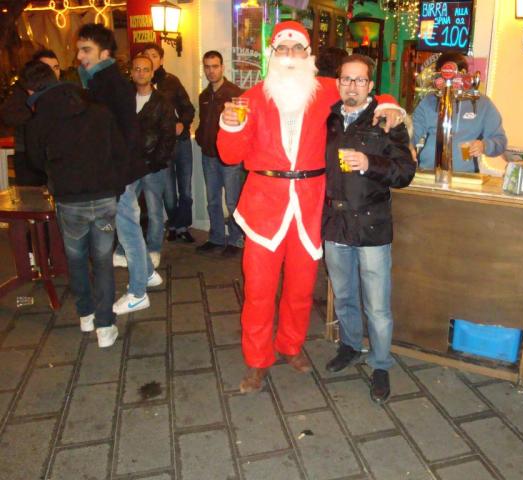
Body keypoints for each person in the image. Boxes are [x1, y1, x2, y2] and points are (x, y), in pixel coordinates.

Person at [217, 21, 405, 394]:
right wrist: (229, 124)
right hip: (264, 205)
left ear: (309, 56)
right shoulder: (249, 99)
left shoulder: (326, 91)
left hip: (310, 203)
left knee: (301, 286)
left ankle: (290, 345)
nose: (290, 56)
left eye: (297, 49)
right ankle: (257, 359)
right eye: (283, 49)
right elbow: (229, 155)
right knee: (258, 289)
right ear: (272, 54)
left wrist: (389, 103)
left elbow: (362, 91)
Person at [323, 54, 415, 404]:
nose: (352, 86)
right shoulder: (329, 118)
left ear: (371, 86)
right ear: (337, 83)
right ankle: (350, 345)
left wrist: (369, 163)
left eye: (360, 80)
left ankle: (380, 364)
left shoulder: (386, 119)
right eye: (346, 79)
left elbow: (404, 173)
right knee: (344, 295)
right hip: (335, 223)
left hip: (372, 224)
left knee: (377, 304)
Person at [22, 61, 126, 347]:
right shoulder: (98, 110)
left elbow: (35, 162)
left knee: (76, 258)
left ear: (31, 91)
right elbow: (119, 151)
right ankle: (105, 327)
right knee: (103, 261)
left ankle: (86, 315)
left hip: (69, 199)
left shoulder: (38, 122)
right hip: (103, 195)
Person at [76, 24, 161, 315]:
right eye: (79, 50)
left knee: (128, 230)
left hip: (118, 172)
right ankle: (148, 273)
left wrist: (116, 177)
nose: (80, 56)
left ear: (104, 53)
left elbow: (126, 135)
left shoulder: (110, 85)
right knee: (129, 225)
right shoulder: (100, 82)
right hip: (119, 170)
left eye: (86, 50)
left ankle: (138, 292)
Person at [412, 52, 507, 173]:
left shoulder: (481, 103)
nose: (450, 83)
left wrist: (484, 146)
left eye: (455, 77)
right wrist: (407, 146)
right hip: (428, 171)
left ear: (465, 76)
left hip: (465, 175)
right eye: (444, 77)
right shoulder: (429, 101)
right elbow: (412, 132)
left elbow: (500, 141)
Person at [142, 43, 196, 243]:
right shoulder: (140, 85)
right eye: (147, 55)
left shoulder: (172, 81)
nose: (150, 58)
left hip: (181, 142)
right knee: (169, 194)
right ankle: (174, 224)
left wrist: (182, 123)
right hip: (160, 146)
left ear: (161, 59)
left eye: (154, 55)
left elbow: (188, 108)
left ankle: (182, 226)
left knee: (186, 191)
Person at [195, 51, 245, 256]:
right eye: (207, 67)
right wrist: (201, 138)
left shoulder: (236, 94)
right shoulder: (204, 96)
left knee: (233, 201)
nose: (211, 71)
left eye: (215, 66)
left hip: (230, 158)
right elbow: (203, 122)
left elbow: (244, 126)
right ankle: (216, 238)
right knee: (213, 200)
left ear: (222, 68)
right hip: (209, 155)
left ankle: (236, 240)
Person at [130, 55, 176, 266]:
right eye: (137, 69)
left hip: (153, 165)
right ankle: (125, 249)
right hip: (131, 165)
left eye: (145, 69)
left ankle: (154, 249)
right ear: (132, 72)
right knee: (127, 210)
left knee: (155, 210)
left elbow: (168, 135)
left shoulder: (162, 101)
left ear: (152, 73)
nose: (141, 73)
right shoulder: (125, 99)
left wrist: (157, 162)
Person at [0, 49, 60, 186]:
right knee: (30, 194)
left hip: (54, 153)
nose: (53, 73)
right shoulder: (23, 90)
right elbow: (7, 115)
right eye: (47, 68)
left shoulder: (63, 91)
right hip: (27, 154)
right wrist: (35, 116)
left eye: (56, 68)